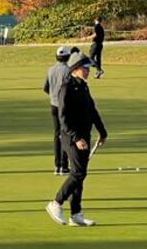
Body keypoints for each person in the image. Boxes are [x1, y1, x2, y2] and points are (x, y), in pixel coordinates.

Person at [45, 53, 108, 227]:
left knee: (79, 175)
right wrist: (77, 138)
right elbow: (63, 118)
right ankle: (56, 203)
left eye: (88, 68)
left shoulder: (83, 86)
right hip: (71, 138)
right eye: (85, 68)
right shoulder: (66, 88)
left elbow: (92, 110)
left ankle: (76, 214)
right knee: (79, 173)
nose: (88, 71)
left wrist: (102, 132)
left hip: (84, 136)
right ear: (75, 69)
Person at [43, 46, 72, 175]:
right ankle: (64, 166)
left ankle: (57, 165)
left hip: (53, 105)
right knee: (65, 134)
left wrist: (53, 95)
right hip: (65, 106)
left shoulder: (51, 69)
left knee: (57, 135)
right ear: (68, 57)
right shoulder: (69, 70)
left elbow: (45, 88)